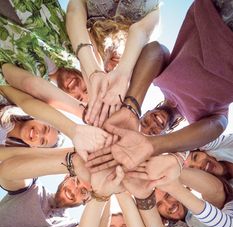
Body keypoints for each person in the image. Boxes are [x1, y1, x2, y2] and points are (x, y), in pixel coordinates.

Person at [86, 0, 233, 172]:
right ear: (165, 134)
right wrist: (153, 145)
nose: (152, 123)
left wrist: (131, 106)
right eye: (153, 132)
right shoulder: (198, 122)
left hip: (215, 13)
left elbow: (156, 50)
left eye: (145, 121)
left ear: (146, 112)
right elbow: (219, 125)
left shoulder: (159, 81)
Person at [66, 0, 160, 125]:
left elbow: (74, 12)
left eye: (107, 71)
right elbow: (141, 31)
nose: (111, 69)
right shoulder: (148, 22)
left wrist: (93, 72)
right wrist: (123, 72)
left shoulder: (89, 25)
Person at [0, 0, 88, 102]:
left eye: (78, 98)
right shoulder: (72, 42)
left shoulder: (29, 79)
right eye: (85, 89)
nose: (76, 88)